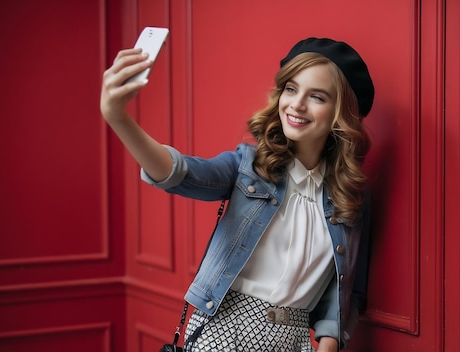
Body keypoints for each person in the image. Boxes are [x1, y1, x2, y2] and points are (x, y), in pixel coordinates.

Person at [101, 37, 374, 352]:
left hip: (295, 342)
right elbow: (178, 173)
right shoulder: (247, 166)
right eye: (291, 89)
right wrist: (118, 117)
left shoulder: (351, 196)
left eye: (317, 96)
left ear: (341, 113)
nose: (297, 104)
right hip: (224, 335)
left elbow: (348, 292)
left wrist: (327, 346)